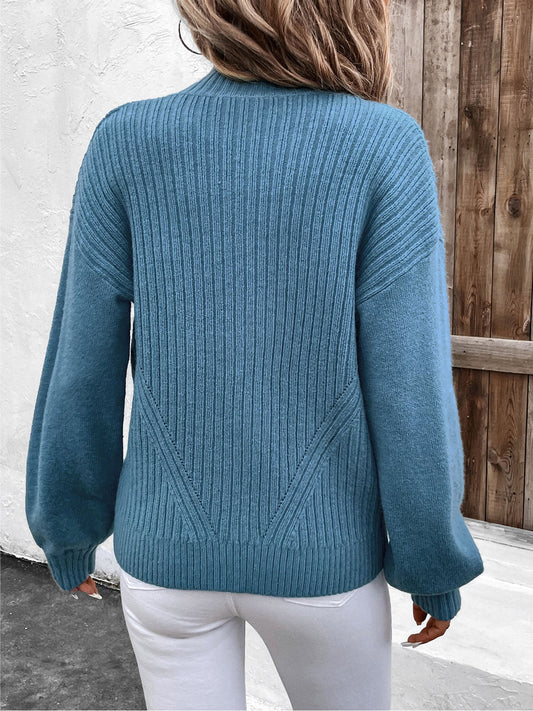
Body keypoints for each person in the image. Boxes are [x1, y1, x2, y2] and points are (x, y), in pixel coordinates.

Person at [25, 0, 485, 709]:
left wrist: (69, 527)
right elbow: (410, 386)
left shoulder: (127, 139)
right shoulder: (382, 144)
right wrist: (431, 560)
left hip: (165, 559)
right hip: (324, 564)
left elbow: (81, 363)